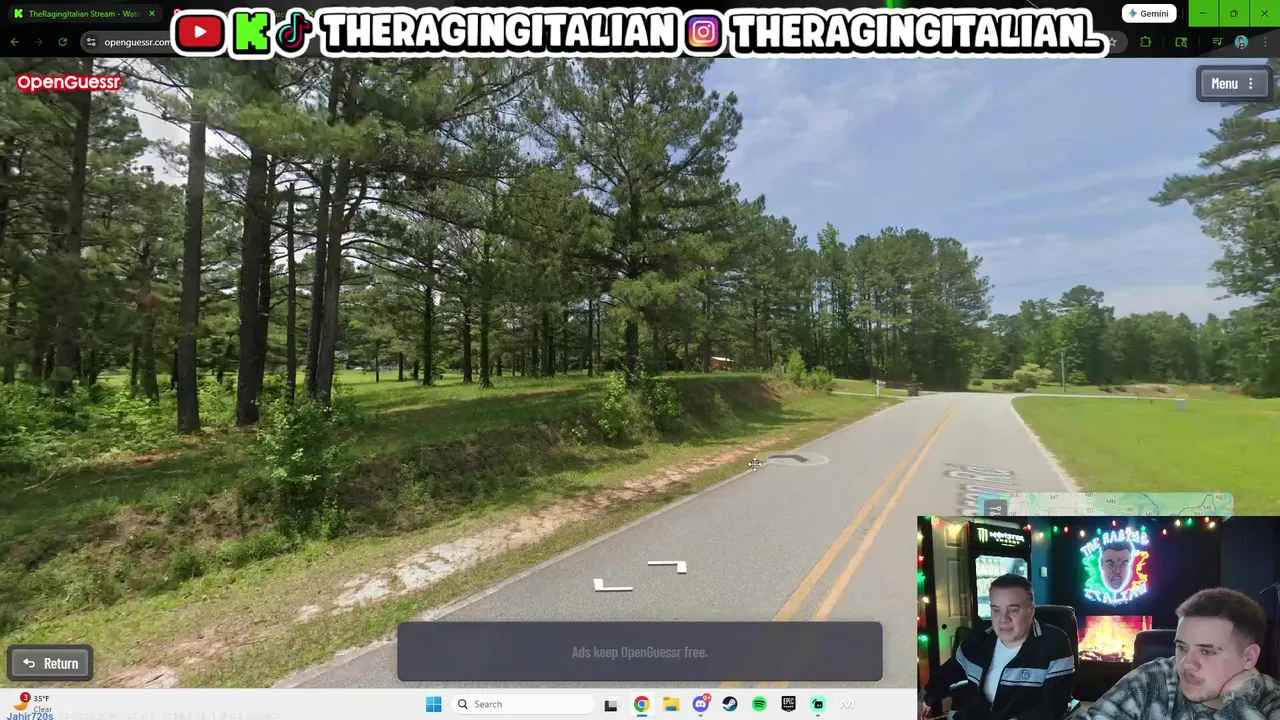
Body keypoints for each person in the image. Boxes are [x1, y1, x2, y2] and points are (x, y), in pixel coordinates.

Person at [1080, 587, 1280, 719]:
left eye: (1207, 651)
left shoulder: (1271, 700)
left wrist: (1236, 705)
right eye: (1182, 647)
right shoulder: (1153, 679)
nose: (1186, 663)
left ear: (1249, 657)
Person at [921, 574, 1076, 719]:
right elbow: (948, 672)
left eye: (1013, 610)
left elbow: (1052, 708)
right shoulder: (978, 640)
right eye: (996, 610)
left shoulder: (1054, 643)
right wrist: (924, 699)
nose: (1003, 619)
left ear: (1031, 610)